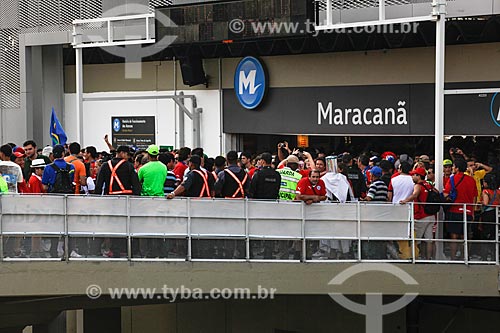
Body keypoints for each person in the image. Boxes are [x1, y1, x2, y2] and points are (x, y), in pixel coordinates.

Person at [442, 158, 477, 260]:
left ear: (456, 168)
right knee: (465, 235)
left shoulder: (452, 179)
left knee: (454, 236)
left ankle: (453, 258)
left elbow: (445, 194)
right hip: (469, 211)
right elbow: (475, 196)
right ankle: (465, 256)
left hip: (454, 210)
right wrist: (473, 210)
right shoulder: (471, 180)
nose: (452, 168)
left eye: (453, 166)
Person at [400, 167, 437, 259]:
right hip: (431, 215)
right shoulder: (429, 185)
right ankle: (428, 259)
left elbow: (415, 194)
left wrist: (405, 200)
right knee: (429, 240)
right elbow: (436, 193)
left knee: (416, 239)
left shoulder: (418, 185)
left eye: (414, 175)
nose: (412, 176)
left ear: (419, 176)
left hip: (421, 216)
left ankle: (417, 257)